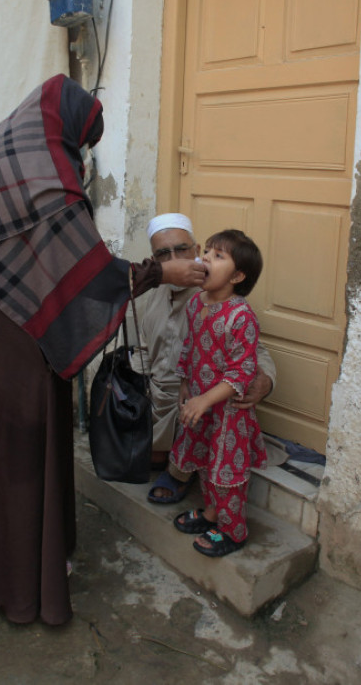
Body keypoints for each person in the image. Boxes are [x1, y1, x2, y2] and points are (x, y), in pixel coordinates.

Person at [0, 74, 207, 625]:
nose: (81, 155)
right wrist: (159, 271)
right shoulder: (49, 168)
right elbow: (87, 273)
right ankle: (18, 579)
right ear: (68, 129)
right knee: (18, 445)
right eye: (83, 144)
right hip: (10, 324)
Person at [136, 213, 276, 504]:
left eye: (182, 250)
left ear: (197, 251)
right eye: (163, 254)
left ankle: (185, 479)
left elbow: (253, 352)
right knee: (137, 453)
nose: (175, 259)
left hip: (206, 400)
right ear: (153, 260)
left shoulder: (218, 296)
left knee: (205, 442)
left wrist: (266, 381)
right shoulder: (148, 295)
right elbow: (141, 349)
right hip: (162, 397)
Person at [170, 229, 268, 558]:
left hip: (228, 411)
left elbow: (242, 371)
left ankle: (233, 530)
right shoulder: (196, 302)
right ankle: (212, 514)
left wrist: (206, 399)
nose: (206, 258)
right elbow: (190, 346)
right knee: (203, 464)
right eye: (207, 251)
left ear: (238, 276)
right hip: (201, 404)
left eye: (218, 256)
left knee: (225, 472)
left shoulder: (241, 317)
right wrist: (186, 385)